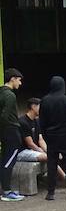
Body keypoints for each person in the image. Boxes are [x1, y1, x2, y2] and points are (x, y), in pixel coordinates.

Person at [37, 76, 66, 202]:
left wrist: (45, 135)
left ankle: (50, 192)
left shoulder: (45, 100)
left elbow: (42, 121)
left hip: (50, 136)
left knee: (52, 164)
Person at [1, 68, 23, 201]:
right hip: (11, 131)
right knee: (9, 161)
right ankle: (7, 192)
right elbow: (5, 115)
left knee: (4, 159)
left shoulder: (1, 92)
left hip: (4, 132)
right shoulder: (10, 95)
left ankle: (5, 189)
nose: (20, 83)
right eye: (19, 80)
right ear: (13, 79)